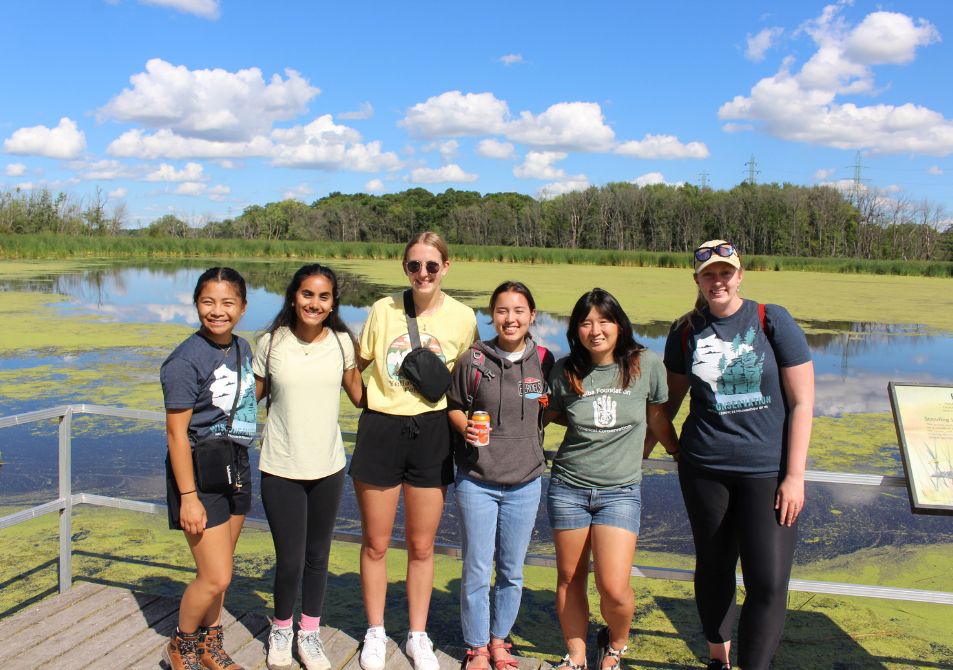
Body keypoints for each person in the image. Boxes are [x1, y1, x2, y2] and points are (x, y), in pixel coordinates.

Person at [655, 240, 814, 670]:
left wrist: (795, 476)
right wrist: (638, 454)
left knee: (767, 581)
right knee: (713, 567)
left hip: (768, 473)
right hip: (704, 468)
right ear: (697, 281)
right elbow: (667, 405)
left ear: (740, 276)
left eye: (726, 272)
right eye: (709, 275)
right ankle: (717, 660)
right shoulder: (684, 330)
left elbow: (802, 402)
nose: (718, 280)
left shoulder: (770, 320)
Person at [350, 231, 479, 670]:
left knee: (422, 546)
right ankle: (374, 632)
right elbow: (356, 364)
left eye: (431, 265)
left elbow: (469, 382)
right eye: (414, 266)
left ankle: (417, 635)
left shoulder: (464, 317)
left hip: (433, 433)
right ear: (404, 268)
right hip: (381, 429)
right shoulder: (382, 310)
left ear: (445, 267)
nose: (423, 273)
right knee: (376, 543)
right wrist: (365, 403)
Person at [543, 289, 680, 670]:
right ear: (576, 329)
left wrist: (678, 453)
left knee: (614, 587)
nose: (595, 330)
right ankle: (576, 657)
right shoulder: (565, 370)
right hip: (568, 486)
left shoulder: (645, 365)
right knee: (569, 578)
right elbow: (544, 416)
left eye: (604, 320)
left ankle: (616, 646)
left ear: (619, 324)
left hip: (620, 491)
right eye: (586, 322)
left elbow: (656, 417)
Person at [253, 264, 365, 670]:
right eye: (307, 294)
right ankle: (281, 629)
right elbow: (251, 399)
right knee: (291, 559)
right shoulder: (270, 343)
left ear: (333, 302)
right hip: (280, 465)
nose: (314, 303)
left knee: (319, 556)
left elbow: (360, 397)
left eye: (323, 296)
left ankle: (309, 633)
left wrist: (409, 379)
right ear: (293, 296)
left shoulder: (340, 344)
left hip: (328, 466)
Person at [446, 282, 556, 670]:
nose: (511, 318)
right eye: (503, 310)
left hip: (526, 481)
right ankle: (476, 646)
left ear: (532, 316)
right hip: (477, 479)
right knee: (476, 567)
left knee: (511, 570)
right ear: (492, 314)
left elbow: (552, 408)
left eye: (520, 310)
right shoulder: (474, 358)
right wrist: (464, 429)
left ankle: (499, 641)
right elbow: (454, 406)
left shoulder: (544, 359)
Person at [160, 267, 258, 670]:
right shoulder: (184, 361)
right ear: (196, 303)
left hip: (235, 465)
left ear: (243, 307)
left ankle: (210, 644)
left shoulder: (242, 348)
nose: (217, 311)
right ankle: (181, 643)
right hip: (199, 474)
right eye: (207, 302)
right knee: (215, 576)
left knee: (224, 570)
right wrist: (187, 498)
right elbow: (175, 434)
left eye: (227, 303)